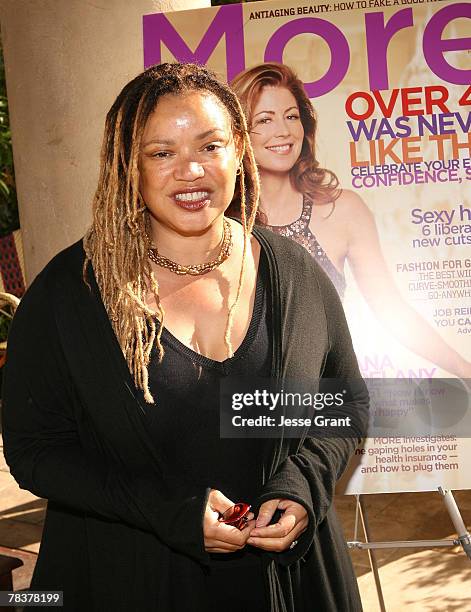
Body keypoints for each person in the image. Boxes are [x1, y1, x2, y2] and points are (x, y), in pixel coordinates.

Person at [2, 63, 368, 612]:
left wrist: (300, 485)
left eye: (210, 145)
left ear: (239, 149)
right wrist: (163, 509)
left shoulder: (292, 272)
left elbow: (345, 406)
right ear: (129, 165)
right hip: (128, 578)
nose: (191, 170)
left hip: (289, 585)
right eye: (161, 153)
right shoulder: (70, 294)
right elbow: (35, 450)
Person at [230, 62, 471, 380]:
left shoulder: (342, 210)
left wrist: (462, 369)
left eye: (291, 116)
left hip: (329, 400)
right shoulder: (223, 221)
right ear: (238, 134)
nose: (284, 131)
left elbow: (389, 307)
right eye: (265, 119)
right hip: (243, 408)